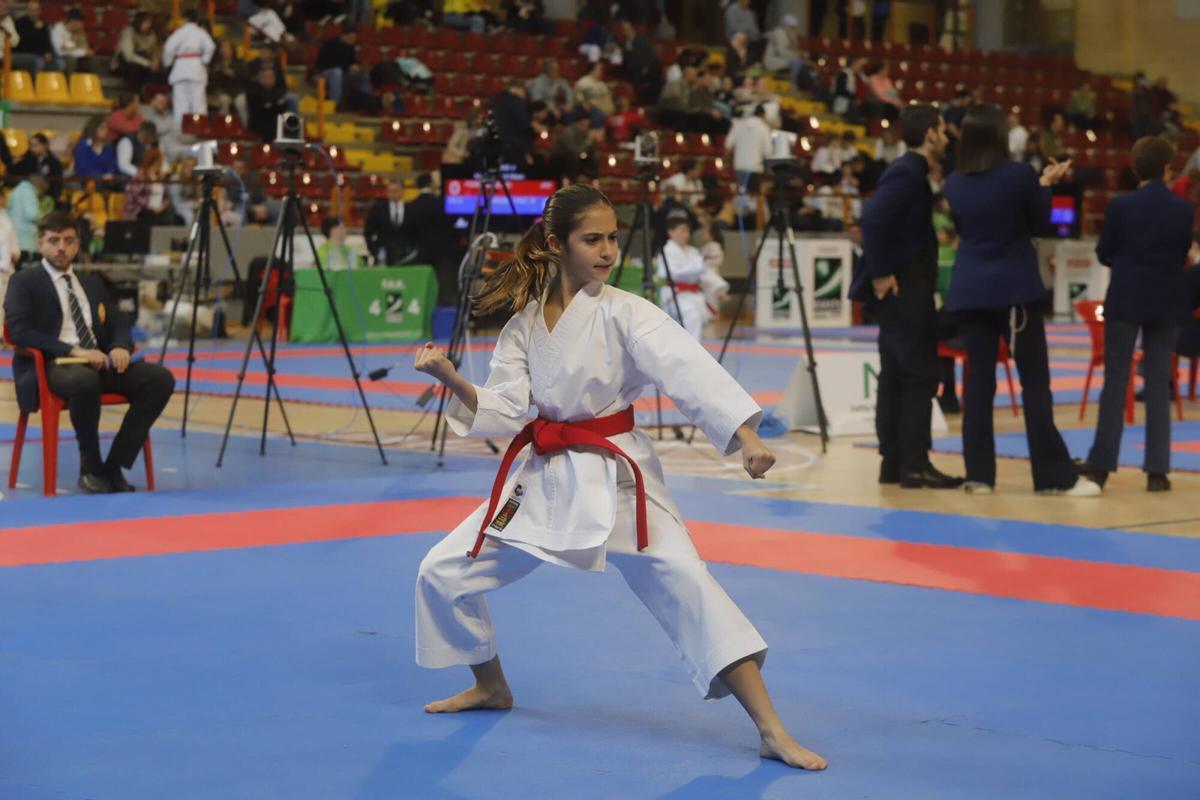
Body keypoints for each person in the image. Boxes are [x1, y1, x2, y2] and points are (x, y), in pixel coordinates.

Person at [410, 184, 827, 772]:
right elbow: (505, 407)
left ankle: (771, 728)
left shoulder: (628, 313)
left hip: (618, 479)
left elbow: (690, 372)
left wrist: (746, 437)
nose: (608, 251)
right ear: (556, 244)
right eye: (593, 239)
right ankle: (491, 685)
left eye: (611, 238)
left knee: (688, 582)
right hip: (544, 475)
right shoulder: (524, 328)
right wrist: (453, 378)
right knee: (443, 570)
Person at [942, 104, 1101, 497]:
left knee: (978, 386)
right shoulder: (1018, 175)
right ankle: (1052, 477)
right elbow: (1039, 223)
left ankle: (978, 475)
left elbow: (974, 224)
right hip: (1012, 290)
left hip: (970, 290)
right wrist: (1045, 186)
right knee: (1035, 384)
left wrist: (1038, 183)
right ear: (999, 136)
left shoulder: (955, 182)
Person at [3, 212, 176, 494]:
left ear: (77, 244)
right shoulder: (25, 282)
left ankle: (114, 465)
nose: (62, 247)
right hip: (54, 366)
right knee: (84, 380)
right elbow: (19, 332)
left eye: (69, 241)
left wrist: (120, 346)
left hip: (99, 364)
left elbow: (119, 321)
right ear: (41, 242)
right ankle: (91, 468)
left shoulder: (91, 283)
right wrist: (74, 350)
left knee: (159, 379)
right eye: (54, 240)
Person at [849, 105, 962, 490]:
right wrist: (879, 273)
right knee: (918, 376)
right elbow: (874, 219)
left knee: (897, 375)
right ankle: (914, 463)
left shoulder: (908, 172)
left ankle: (894, 463)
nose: (947, 139)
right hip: (906, 290)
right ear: (930, 134)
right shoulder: (907, 172)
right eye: (943, 132)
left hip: (905, 290)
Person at [1077, 137, 1195, 493]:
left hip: (1126, 299)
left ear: (1134, 170)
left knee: (1116, 383)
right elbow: (1180, 257)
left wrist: (1127, 265)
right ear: (1168, 170)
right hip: (1166, 302)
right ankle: (1157, 471)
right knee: (1158, 385)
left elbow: (1103, 252)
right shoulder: (1183, 209)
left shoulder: (1121, 207)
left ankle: (1100, 467)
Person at [657, 214, 729, 341]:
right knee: (692, 316)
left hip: (692, 295)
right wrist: (700, 264)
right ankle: (691, 353)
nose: (687, 235)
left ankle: (692, 352)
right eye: (683, 231)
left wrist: (719, 288)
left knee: (696, 320)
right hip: (675, 294)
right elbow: (674, 273)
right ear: (671, 232)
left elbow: (705, 273)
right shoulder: (666, 251)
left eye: (688, 231)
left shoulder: (692, 251)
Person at [161, 10, 215, 126]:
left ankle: (181, 128)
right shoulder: (200, 32)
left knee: (181, 102)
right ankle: (200, 127)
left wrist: (168, 63)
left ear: (185, 19)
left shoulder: (179, 32)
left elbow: (169, 48)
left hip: (181, 66)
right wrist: (204, 60)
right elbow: (210, 46)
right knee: (198, 102)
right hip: (197, 67)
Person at [364, 179, 415, 265]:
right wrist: (375, 252)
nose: (393, 193)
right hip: (384, 257)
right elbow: (368, 232)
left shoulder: (412, 209)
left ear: (402, 191)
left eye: (396, 190)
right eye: (390, 191)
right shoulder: (378, 209)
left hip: (406, 257)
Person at [13, 0, 62, 77]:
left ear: (40, 11)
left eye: (37, 10)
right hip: (24, 54)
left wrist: (48, 53)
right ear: (27, 11)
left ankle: (51, 87)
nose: (35, 13)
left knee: (59, 63)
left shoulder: (43, 24)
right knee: (38, 61)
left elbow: (47, 42)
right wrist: (35, 29)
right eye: (32, 11)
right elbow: (23, 44)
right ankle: (34, 86)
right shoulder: (19, 23)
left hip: (41, 55)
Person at [13, 132, 64, 201]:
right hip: (28, 194)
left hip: (48, 196)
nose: (33, 149)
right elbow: (17, 171)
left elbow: (57, 182)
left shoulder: (54, 162)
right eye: (31, 146)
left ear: (45, 145)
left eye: (36, 145)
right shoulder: (28, 158)